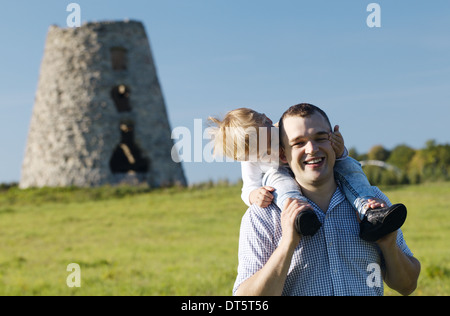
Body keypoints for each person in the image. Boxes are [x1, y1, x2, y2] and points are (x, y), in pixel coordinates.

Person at [232, 103, 420, 296]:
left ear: (335, 141)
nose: (312, 149)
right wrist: (287, 245)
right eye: (298, 143)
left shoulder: (374, 205)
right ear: (282, 154)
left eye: (321, 138)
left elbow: (407, 286)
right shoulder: (263, 215)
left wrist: (389, 245)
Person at [209, 108, 406, 242]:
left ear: (269, 122)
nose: (275, 151)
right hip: (283, 177)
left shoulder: (289, 127)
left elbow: (319, 146)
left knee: (349, 166)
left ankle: (368, 209)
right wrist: (254, 196)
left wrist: (339, 149)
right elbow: (248, 188)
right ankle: (301, 216)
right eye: (265, 153)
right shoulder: (250, 160)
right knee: (278, 180)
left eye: (273, 142)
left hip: (316, 167)